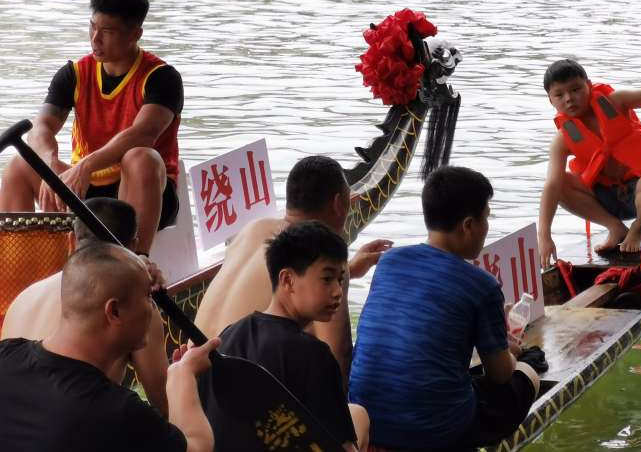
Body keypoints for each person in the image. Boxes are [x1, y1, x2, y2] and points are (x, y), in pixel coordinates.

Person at [349, 165, 540, 450]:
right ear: (468, 225)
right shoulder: (482, 285)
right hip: (436, 429)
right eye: (486, 218)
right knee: (528, 373)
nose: (487, 228)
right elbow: (500, 375)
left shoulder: (388, 262)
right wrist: (511, 353)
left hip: (367, 418)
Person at [0, 0, 184, 255]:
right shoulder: (74, 73)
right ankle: (21, 266)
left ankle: (137, 261)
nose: (95, 39)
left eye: (107, 32)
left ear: (135, 34)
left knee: (141, 157)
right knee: (20, 165)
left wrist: (86, 166)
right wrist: (50, 166)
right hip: (86, 189)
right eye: (92, 27)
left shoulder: (161, 78)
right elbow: (41, 128)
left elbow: (143, 133)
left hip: (143, 189)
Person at [0, 242, 219, 452]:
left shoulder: (6, 353)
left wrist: (135, 274)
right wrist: (182, 376)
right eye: (147, 297)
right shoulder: (115, 412)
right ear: (114, 311)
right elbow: (198, 447)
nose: (152, 307)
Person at [194, 155, 391, 378]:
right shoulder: (319, 250)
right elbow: (339, 358)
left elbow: (271, 282)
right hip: (234, 391)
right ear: (339, 204)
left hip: (194, 375)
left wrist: (349, 270)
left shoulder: (253, 229)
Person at [199, 222, 368, 452]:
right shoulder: (314, 354)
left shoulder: (229, 334)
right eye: (327, 279)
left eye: (340, 279)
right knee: (359, 415)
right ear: (287, 280)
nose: (338, 291)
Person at [1, 197, 170, 414]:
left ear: (71, 240)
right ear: (134, 245)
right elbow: (166, 404)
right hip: (68, 424)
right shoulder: (131, 304)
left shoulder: (24, 296)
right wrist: (185, 377)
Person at [537, 54, 641, 265]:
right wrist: (544, 236)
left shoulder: (615, 101)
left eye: (575, 89)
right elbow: (552, 186)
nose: (568, 98)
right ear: (551, 100)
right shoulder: (562, 140)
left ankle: (638, 229)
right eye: (559, 94)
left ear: (588, 86)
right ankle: (615, 228)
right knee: (560, 183)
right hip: (607, 201)